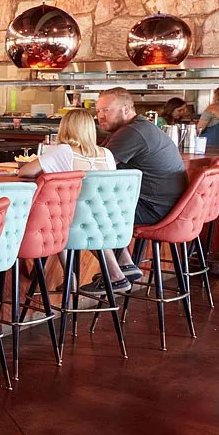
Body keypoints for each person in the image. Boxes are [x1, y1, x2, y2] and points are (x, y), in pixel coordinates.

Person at [83, 87, 188, 298]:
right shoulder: (136, 128)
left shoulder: (132, 132)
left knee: (83, 214)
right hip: (168, 206)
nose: (100, 116)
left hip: (156, 210)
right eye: (98, 111)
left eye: (106, 110)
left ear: (126, 109)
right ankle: (125, 264)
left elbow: (94, 168)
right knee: (97, 205)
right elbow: (98, 158)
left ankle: (115, 275)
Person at [18, 108, 115, 176]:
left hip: (73, 200)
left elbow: (24, 172)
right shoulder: (107, 154)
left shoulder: (63, 150)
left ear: (64, 127)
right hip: (105, 200)